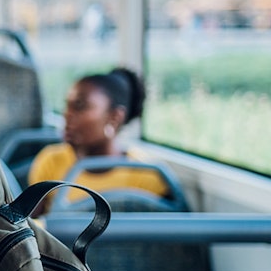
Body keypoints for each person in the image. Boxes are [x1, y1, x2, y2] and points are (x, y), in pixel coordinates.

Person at [27, 67, 169, 215]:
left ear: (114, 117)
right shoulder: (51, 160)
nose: (67, 114)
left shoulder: (146, 173)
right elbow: (29, 229)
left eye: (80, 106)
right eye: (67, 106)